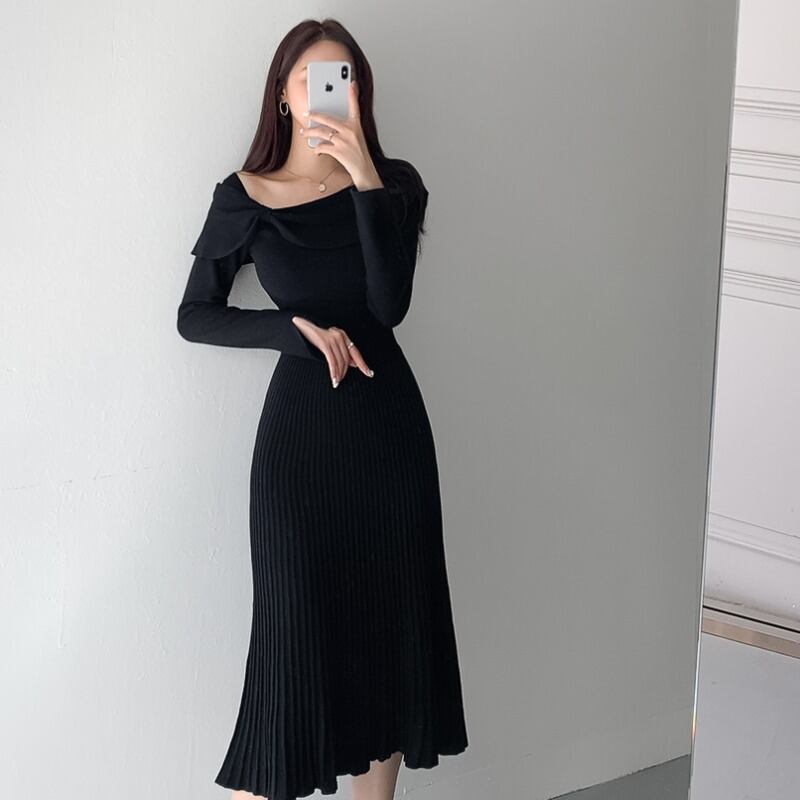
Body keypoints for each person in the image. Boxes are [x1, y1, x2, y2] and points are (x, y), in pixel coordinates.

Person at [177, 18, 468, 800]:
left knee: (391, 639)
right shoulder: (243, 196)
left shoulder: (394, 184)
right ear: (282, 94)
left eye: (344, 78)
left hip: (388, 434)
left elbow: (389, 306)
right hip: (299, 446)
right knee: (292, 647)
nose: (327, 92)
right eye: (310, 78)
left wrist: (363, 173)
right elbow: (194, 315)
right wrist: (291, 330)